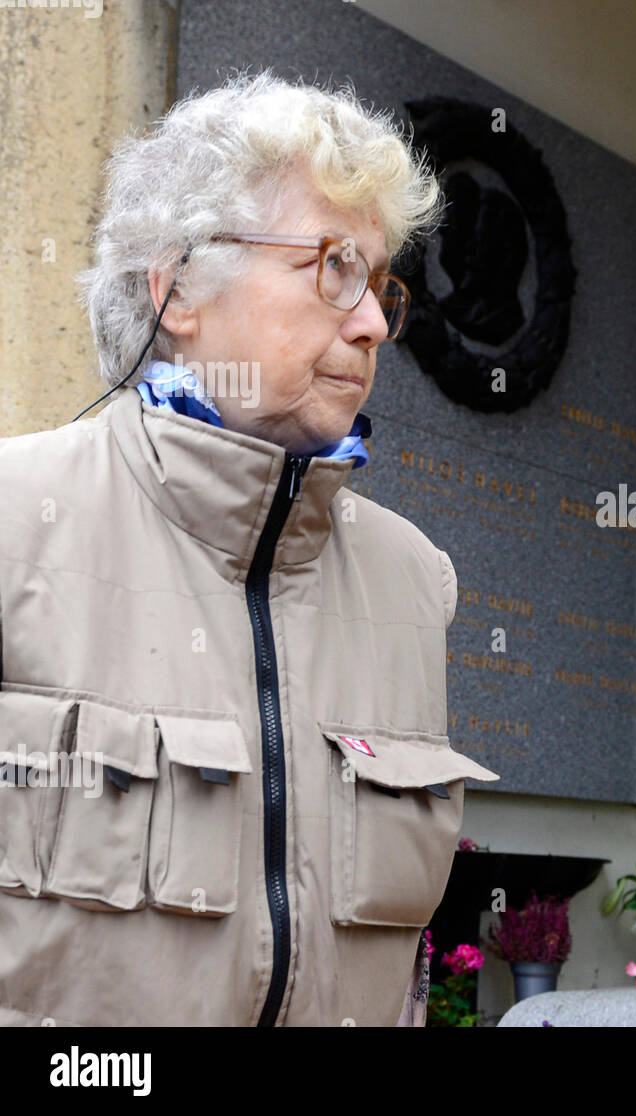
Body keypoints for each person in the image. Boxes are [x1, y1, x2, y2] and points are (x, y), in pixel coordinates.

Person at [0, 70, 498, 1026]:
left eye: (380, 283)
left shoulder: (416, 583)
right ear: (178, 288)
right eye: (332, 268)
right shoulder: (18, 525)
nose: (372, 325)